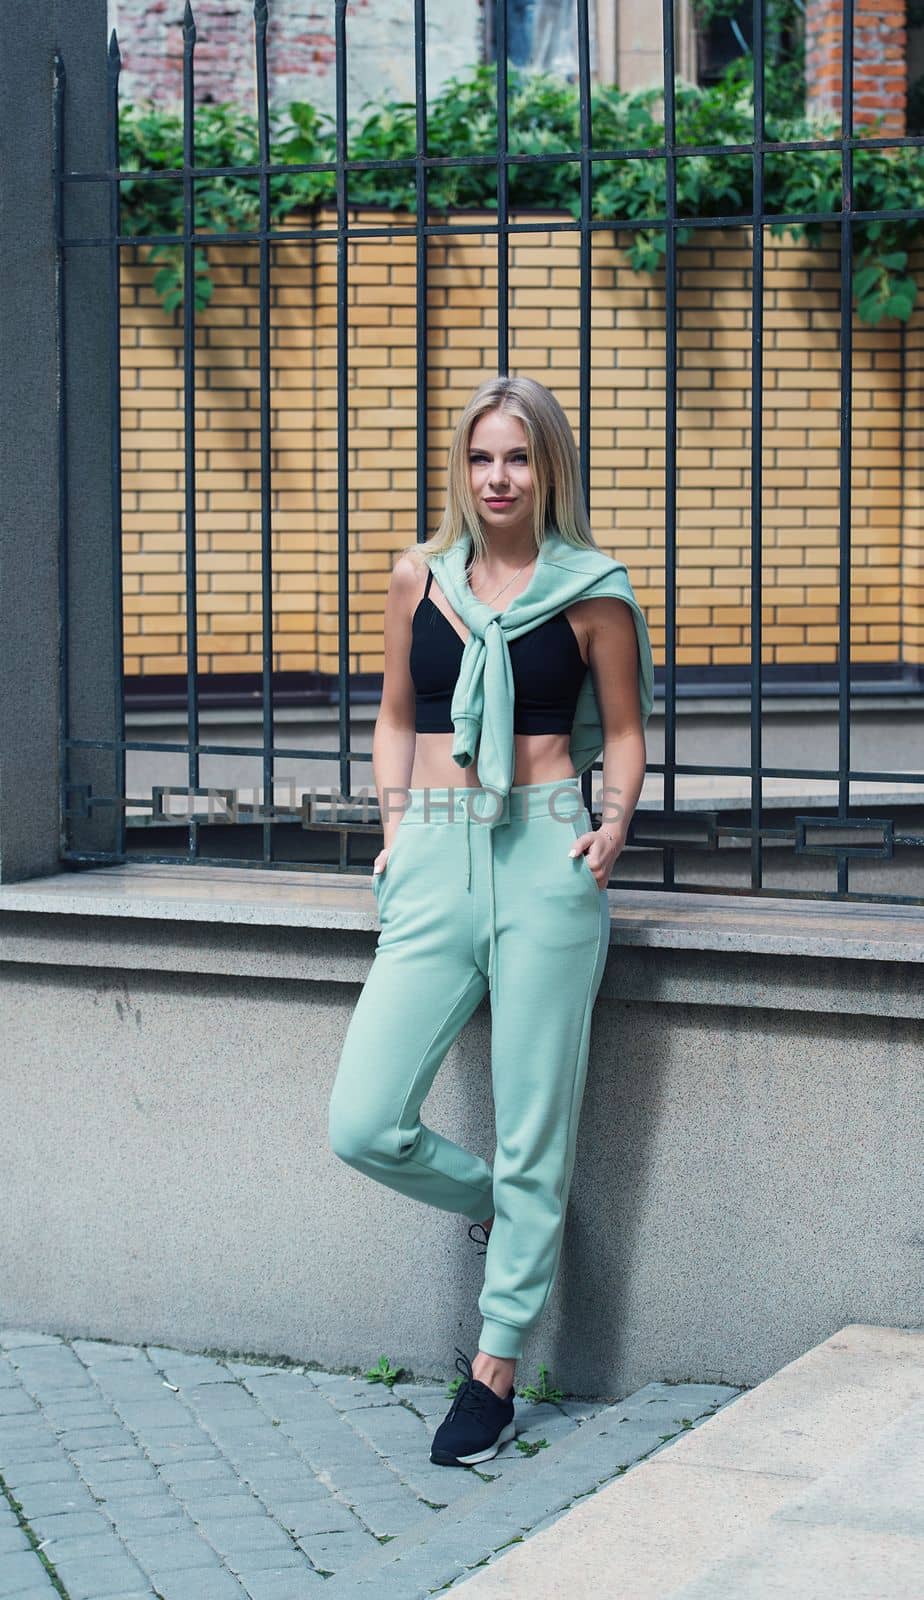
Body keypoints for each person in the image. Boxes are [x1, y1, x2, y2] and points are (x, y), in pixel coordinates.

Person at [327, 375, 653, 1468]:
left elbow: (625, 731)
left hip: (546, 855)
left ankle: (496, 1364)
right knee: (364, 1119)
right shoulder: (420, 578)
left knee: (534, 1124)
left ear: (546, 466)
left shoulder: (593, 591)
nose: (497, 478)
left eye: (516, 458)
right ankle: (520, 1212)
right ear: (462, 470)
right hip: (434, 857)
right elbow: (393, 711)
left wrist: (610, 826)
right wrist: (393, 825)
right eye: (480, 459)